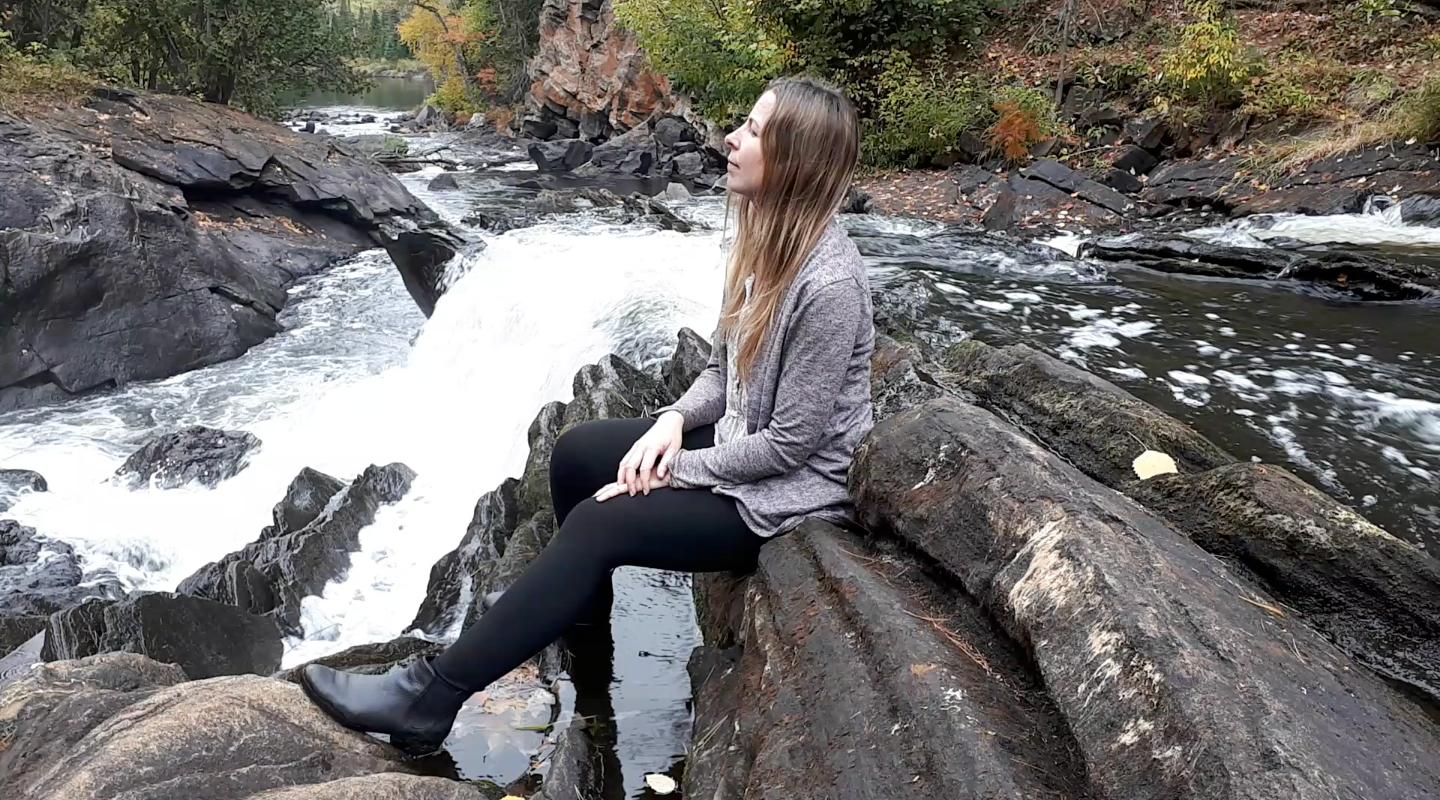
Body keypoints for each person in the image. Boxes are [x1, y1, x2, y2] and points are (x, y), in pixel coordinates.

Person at [300, 75, 876, 757]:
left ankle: (429, 698)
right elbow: (724, 373)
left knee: (604, 518)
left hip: (790, 496)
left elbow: (790, 447)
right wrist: (668, 423)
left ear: (793, 161)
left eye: (752, 131)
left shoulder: (830, 284)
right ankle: (579, 617)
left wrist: (673, 474)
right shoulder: (762, 241)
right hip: (745, 444)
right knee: (577, 454)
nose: (731, 138)